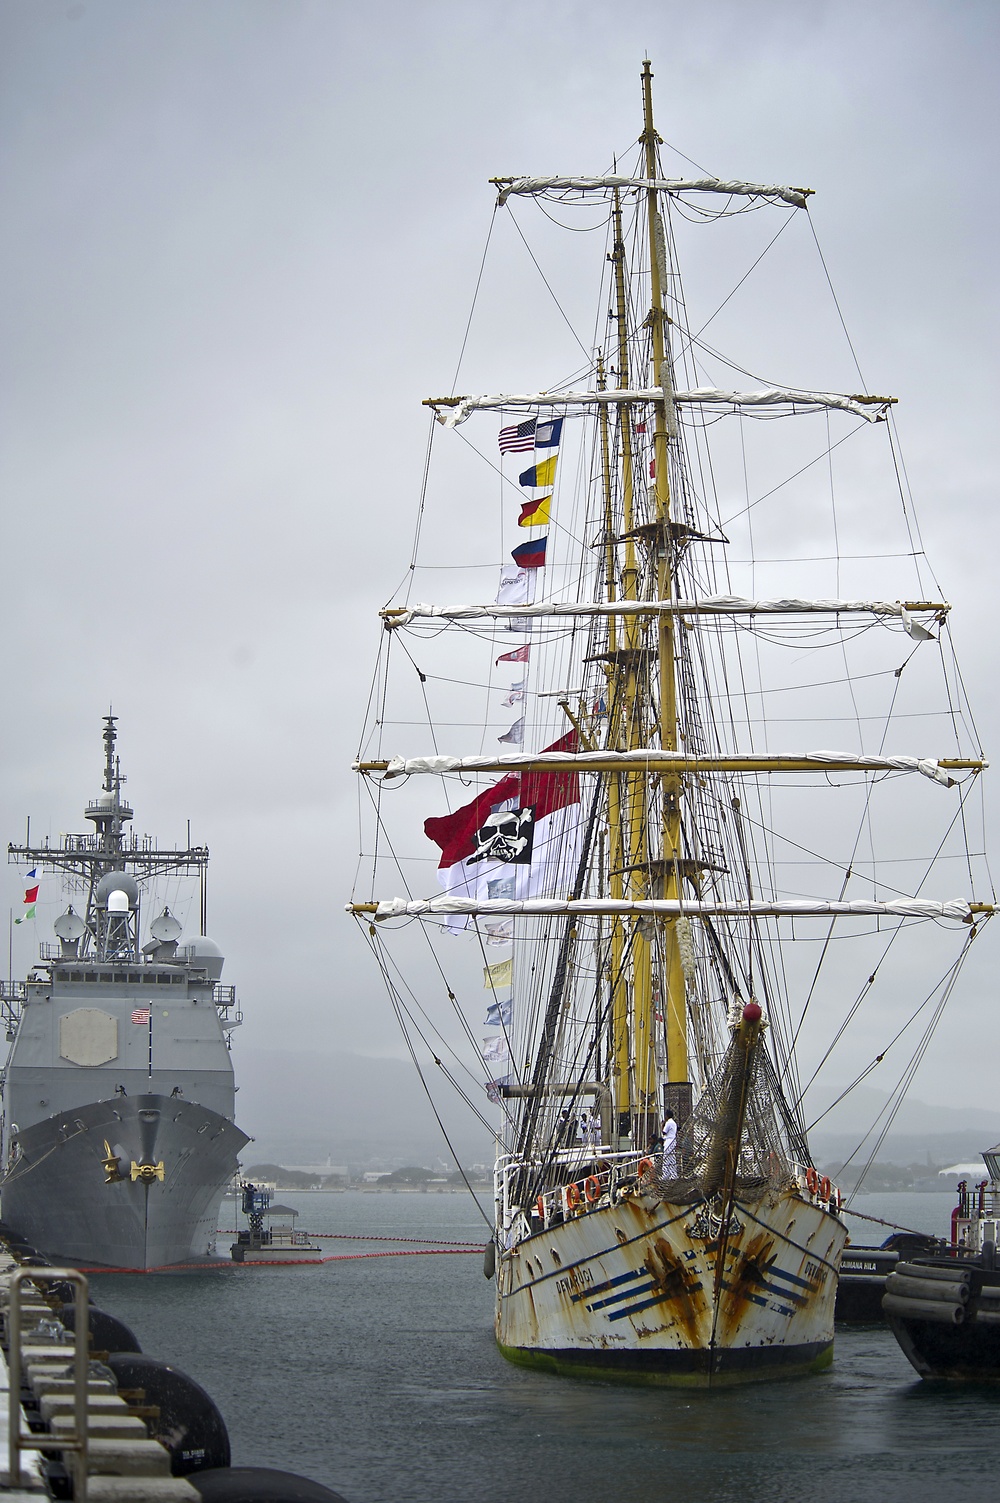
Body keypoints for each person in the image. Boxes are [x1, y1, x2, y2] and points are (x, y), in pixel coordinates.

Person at [661, 1110, 678, 1177]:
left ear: (667, 1116)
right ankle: (673, 1175)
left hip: (668, 1141)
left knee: (666, 1158)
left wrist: (662, 1125)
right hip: (673, 1141)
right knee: (672, 1158)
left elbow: (664, 1132)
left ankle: (665, 1175)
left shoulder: (668, 1123)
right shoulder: (674, 1123)